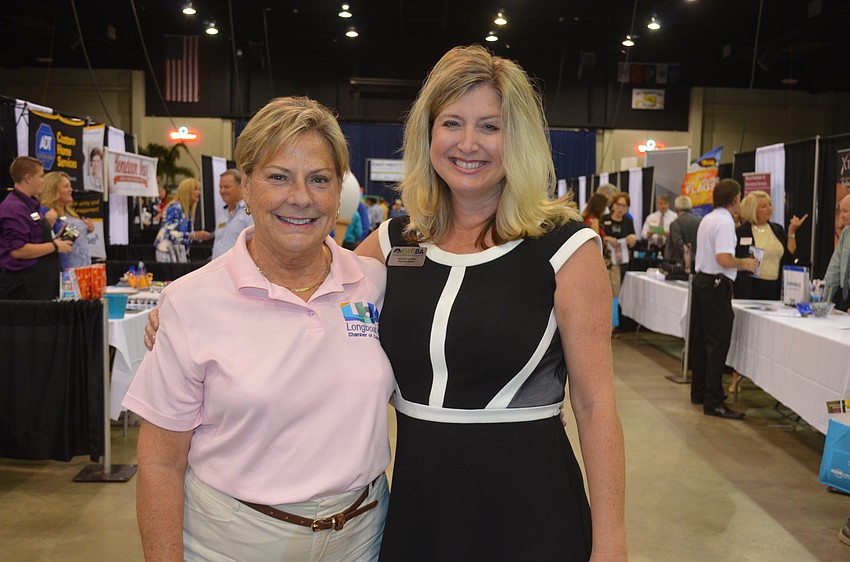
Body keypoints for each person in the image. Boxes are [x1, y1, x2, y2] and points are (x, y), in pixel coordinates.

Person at [356, 44, 626, 561]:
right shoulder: (395, 242)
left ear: (517, 139)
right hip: (419, 512)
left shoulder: (567, 248)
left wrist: (611, 541)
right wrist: (193, 304)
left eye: (490, 126)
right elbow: (309, 296)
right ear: (428, 134)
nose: (468, 143)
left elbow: (594, 406)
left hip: (532, 514)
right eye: (452, 123)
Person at [124, 96, 393, 561]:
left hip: (363, 536)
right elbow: (160, 462)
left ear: (338, 191)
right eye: (278, 176)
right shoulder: (192, 302)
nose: (301, 197)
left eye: (320, 179)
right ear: (245, 185)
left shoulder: (374, 283)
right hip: (234, 542)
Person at [690, 179, 757, 420]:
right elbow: (723, 258)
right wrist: (745, 263)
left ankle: (699, 392)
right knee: (717, 344)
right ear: (736, 198)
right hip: (716, 284)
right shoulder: (726, 222)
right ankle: (714, 401)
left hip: (702, 282)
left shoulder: (709, 218)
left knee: (701, 341)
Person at [0, 157, 74, 300]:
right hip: (24, 290)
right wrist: (54, 246)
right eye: (40, 176)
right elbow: (18, 250)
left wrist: (55, 238)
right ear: (28, 178)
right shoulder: (14, 208)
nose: (43, 181)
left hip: (40, 285)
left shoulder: (31, 205)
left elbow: (35, 239)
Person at [734, 190, 807, 301]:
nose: (769, 209)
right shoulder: (742, 232)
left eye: (770, 205)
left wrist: (792, 232)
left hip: (775, 286)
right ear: (753, 209)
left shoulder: (777, 229)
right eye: (764, 206)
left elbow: (789, 255)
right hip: (751, 288)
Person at [40, 171, 94, 270]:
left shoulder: (70, 213)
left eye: (70, 186)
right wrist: (48, 224)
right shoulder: (44, 213)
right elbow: (41, 239)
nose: (71, 190)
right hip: (64, 269)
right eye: (66, 187)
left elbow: (73, 236)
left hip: (84, 267)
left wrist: (88, 229)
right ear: (54, 190)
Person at [153, 178, 210, 262]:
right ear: (187, 191)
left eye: (199, 190)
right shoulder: (175, 208)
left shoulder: (186, 210)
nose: (199, 193)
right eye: (195, 190)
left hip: (178, 253)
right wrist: (193, 235)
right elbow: (169, 232)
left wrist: (197, 236)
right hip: (167, 253)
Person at [211, 168, 253, 259]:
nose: (222, 191)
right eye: (220, 187)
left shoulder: (250, 212)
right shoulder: (222, 213)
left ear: (241, 186)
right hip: (218, 270)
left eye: (226, 187)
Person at [602, 192, 637, 298]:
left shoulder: (628, 221)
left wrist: (632, 239)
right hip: (606, 260)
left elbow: (633, 238)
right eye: (618, 204)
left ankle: (616, 311)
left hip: (622, 260)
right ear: (613, 205)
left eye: (624, 206)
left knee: (618, 291)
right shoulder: (605, 218)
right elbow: (598, 236)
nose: (620, 208)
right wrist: (607, 239)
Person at [824, 193, 850, 311]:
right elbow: (834, 267)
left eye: (845, 211)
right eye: (840, 211)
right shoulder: (846, 232)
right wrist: (825, 298)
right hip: (845, 296)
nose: (841, 216)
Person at [664, 195, 700, 267]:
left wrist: (688, 256)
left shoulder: (675, 223)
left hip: (677, 264)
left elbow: (678, 244)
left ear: (676, 208)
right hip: (696, 262)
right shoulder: (699, 221)